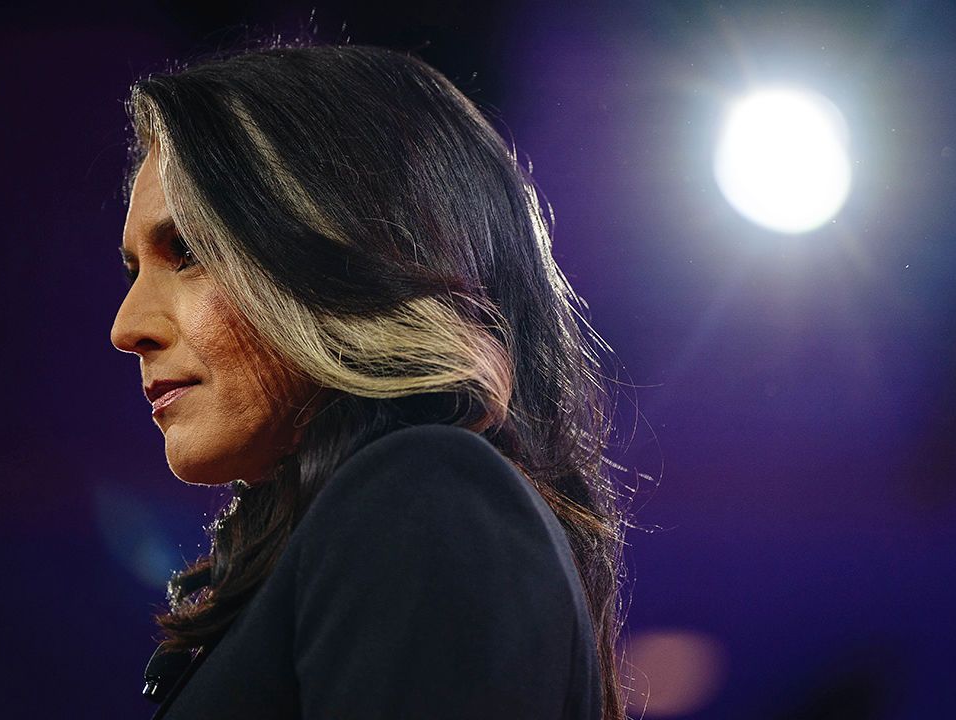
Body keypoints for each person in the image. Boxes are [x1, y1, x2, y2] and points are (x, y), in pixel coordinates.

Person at [109, 40, 631, 719]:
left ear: (347, 255)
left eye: (188, 251)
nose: (127, 326)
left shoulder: (424, 491)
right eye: (132, 271)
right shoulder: (379, 520)